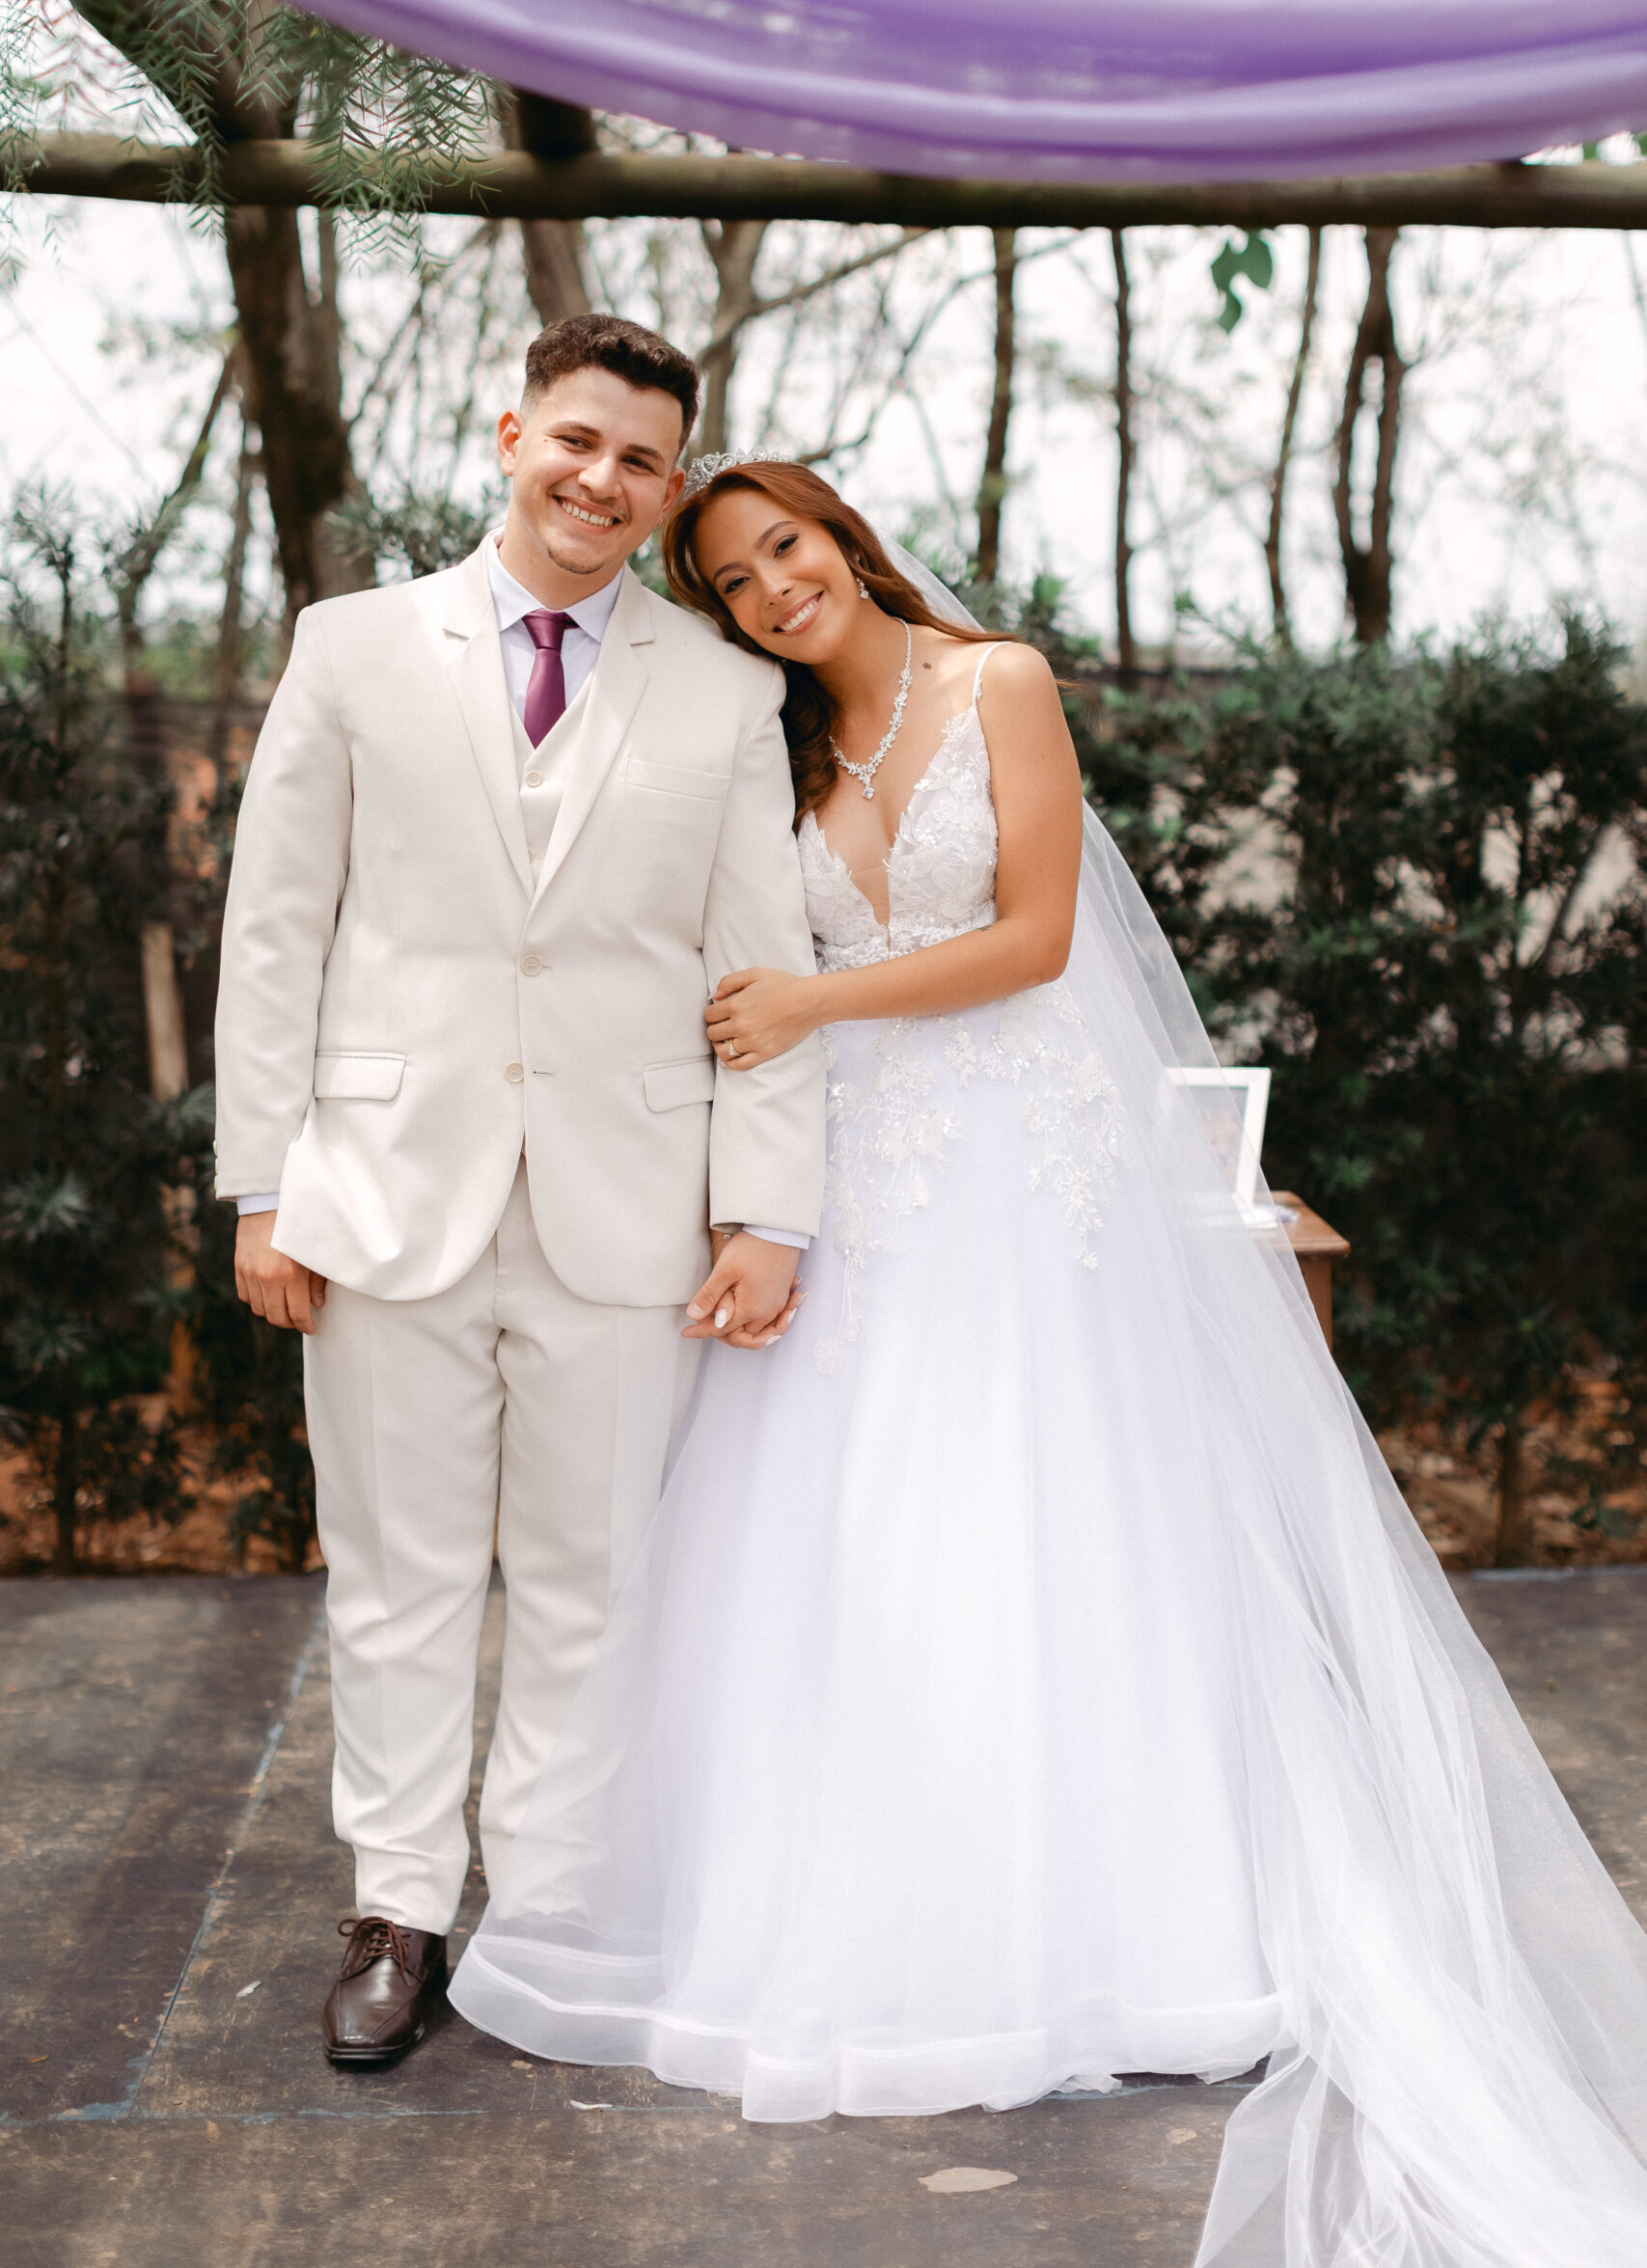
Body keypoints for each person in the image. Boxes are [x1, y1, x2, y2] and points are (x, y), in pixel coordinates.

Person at [451, 457, 1647, 2266]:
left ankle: (1110, 1933)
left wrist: (816, 998)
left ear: (845, 541)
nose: (773, 591)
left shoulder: (996, 681)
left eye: (786, 548)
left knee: (1038, 1511)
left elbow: (1033, 938)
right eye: (735, 582)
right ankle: (864, 1922)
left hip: (1022, 1169)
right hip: (854, 1173)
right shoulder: (769, 750)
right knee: (843, 1538)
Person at [214, 331, 824, 2068]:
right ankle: (398, 1907)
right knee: (396, 1580)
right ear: (512, 434)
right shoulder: (351, 648)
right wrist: (261, 1184)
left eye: (641, 461)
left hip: (632, 1207)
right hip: (378, 1190)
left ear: (669, 488)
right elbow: (277, 927)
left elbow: (759, 968)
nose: (600, 481)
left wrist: (766, 1209)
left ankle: (547, 1915)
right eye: (577, 440)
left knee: (593, 1582)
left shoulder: (726, 693)